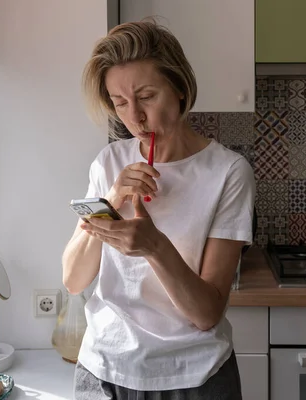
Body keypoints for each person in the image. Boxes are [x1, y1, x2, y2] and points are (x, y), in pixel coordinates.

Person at [62, 19, 256, 400]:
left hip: (192, 377)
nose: (134, 117)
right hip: (103, 371)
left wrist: (155, 247)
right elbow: (73, 279)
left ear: (180, 89)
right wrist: (111, 201)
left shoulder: (228, 172)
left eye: (146, 96)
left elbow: (206, 313)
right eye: (120, 103)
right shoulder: (108, 163)